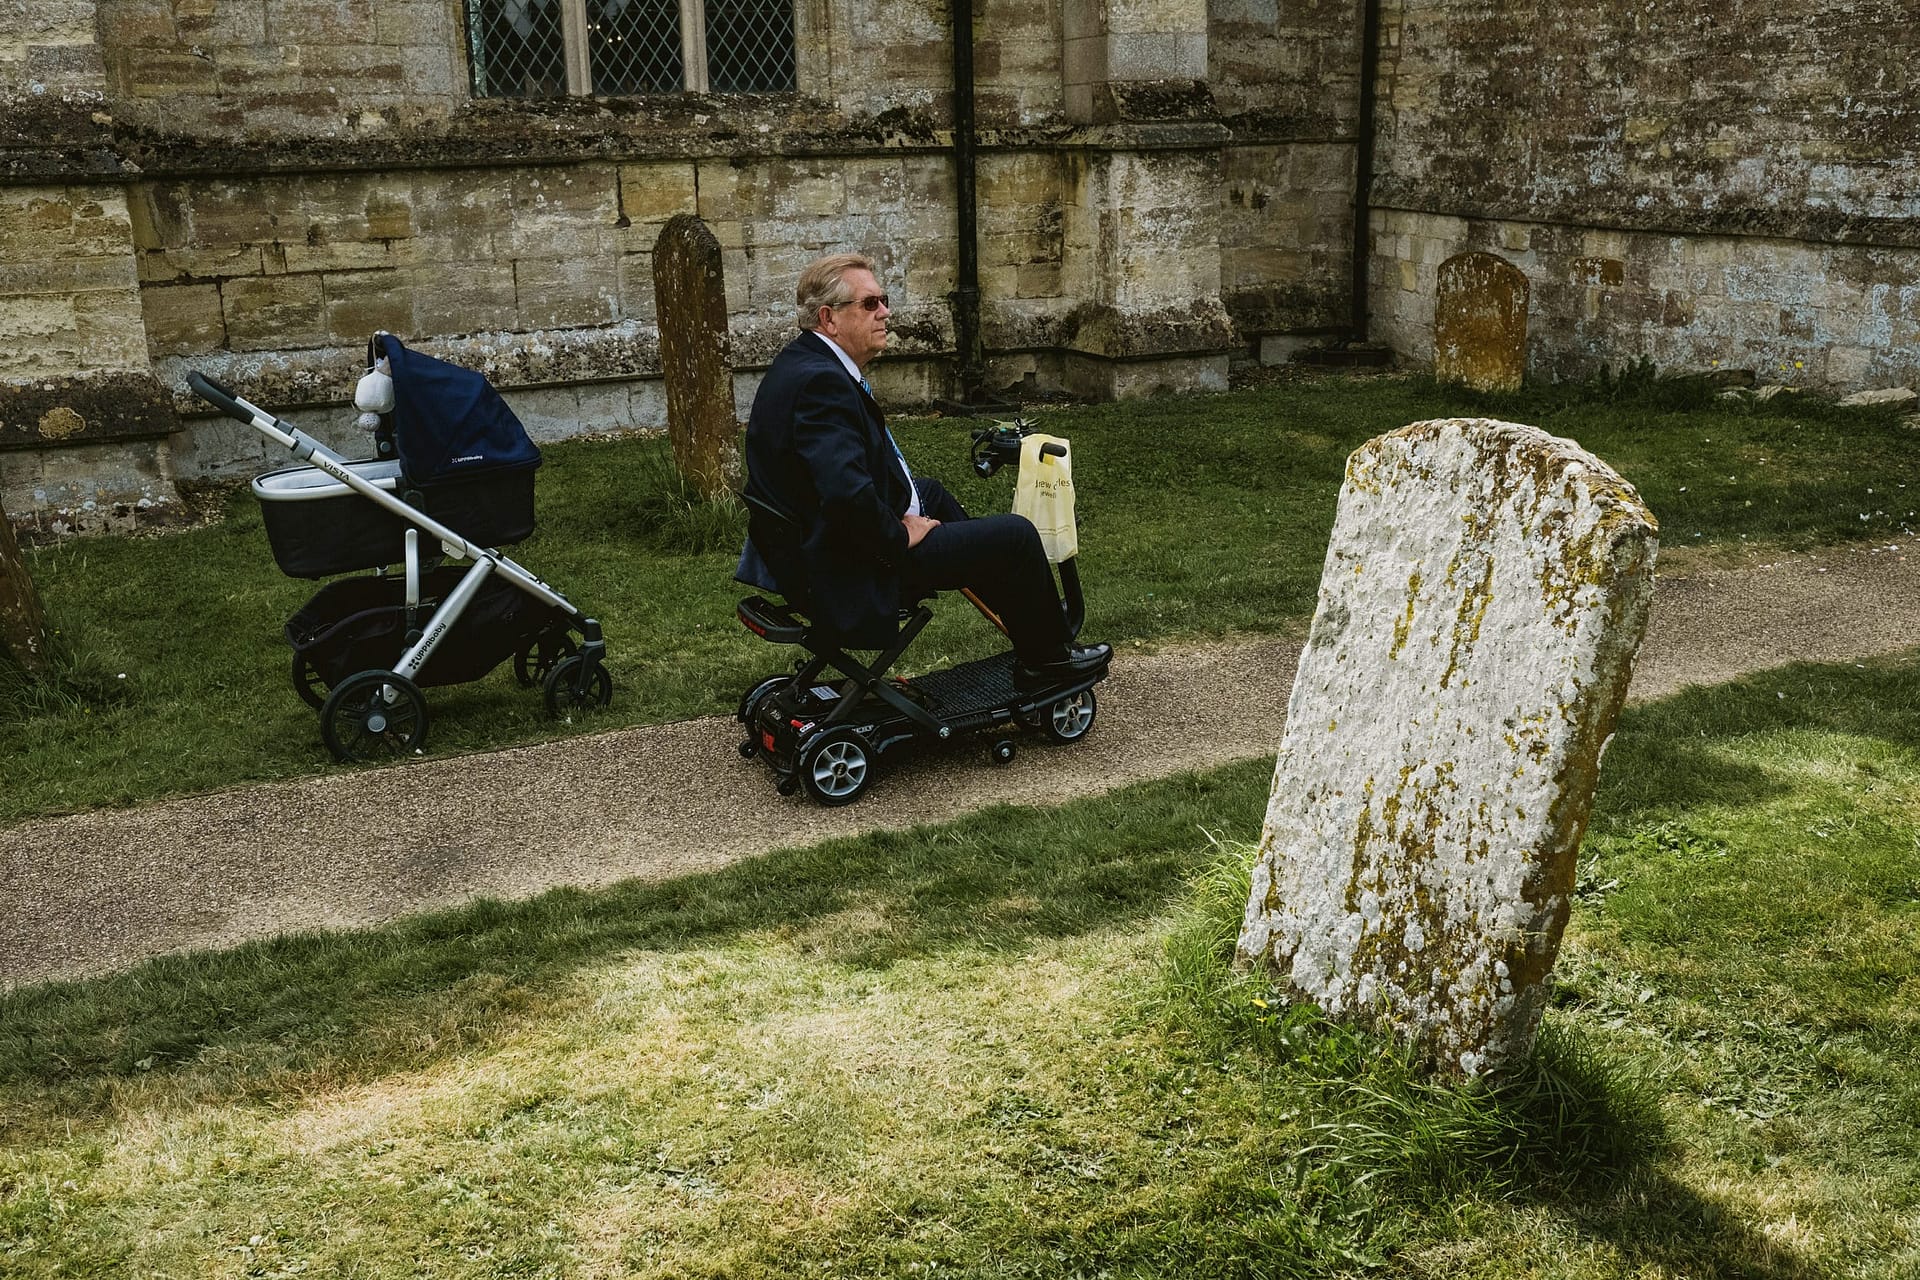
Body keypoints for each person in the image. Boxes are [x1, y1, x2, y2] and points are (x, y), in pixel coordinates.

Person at [737, 252, 1109, 688]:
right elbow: (844, 495)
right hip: (849, 566)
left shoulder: (803, 362)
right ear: (829, 318)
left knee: (929, 494)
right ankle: (1047, 663)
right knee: (1015, 536)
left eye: (884, 300)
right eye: (870, 304)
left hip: (818, 545)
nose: (886, 312)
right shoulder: (822, 383)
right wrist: (898, 533)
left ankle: (1033, 620)